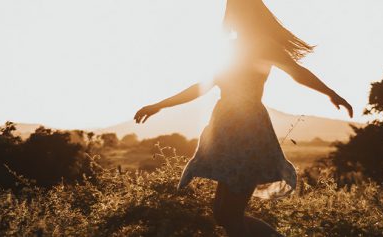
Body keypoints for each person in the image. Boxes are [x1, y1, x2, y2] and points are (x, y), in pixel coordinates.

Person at [134, 0, 352, 235]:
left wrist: (331, 93)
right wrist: (159, 105)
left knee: (231, 214)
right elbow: (202, 86)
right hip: (225, 130)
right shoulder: (230, 47)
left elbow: (297, 73)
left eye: (232, 12)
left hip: (248, 131)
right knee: (222, 214)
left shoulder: (264, 46)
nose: (228, 17)